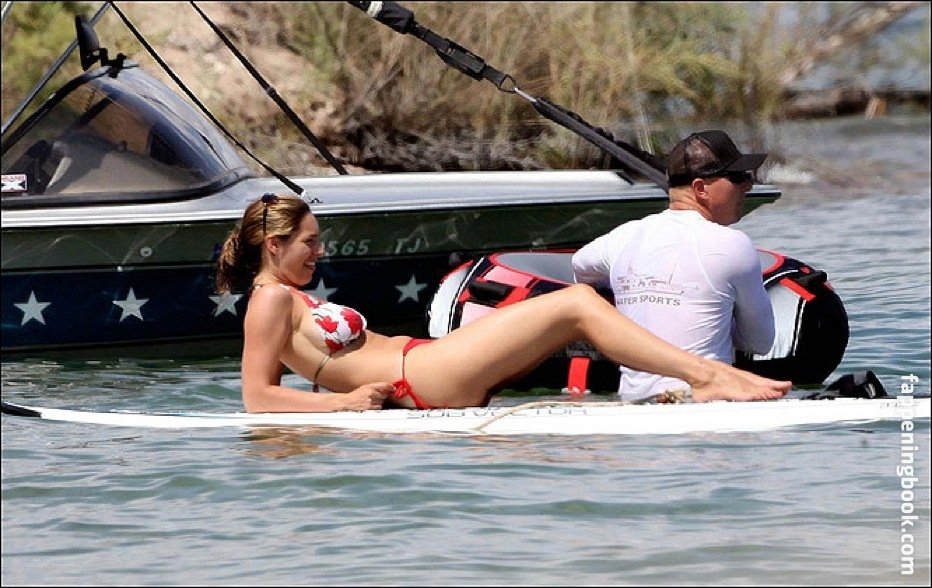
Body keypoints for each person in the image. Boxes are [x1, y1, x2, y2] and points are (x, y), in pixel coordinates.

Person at [214, 192, 791, 413]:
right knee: (576, 303)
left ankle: (691, 383)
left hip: (427, 366)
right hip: (422, 376)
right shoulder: (269, 302)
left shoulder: (287, 297)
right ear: (275, 245)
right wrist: (345, 404)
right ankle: (706, 374)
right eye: (310, 242)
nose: (320, 251)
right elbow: (257, 397)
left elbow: (295, 378)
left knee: (568, 323)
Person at [572, 130, 776, 403]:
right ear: (700, 189)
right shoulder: (734, 244)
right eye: (738, 177)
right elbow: (759, 343)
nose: (748, 186)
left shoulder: (623, 236)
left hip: (633, 403)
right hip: (702, 403)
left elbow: (580, 266)